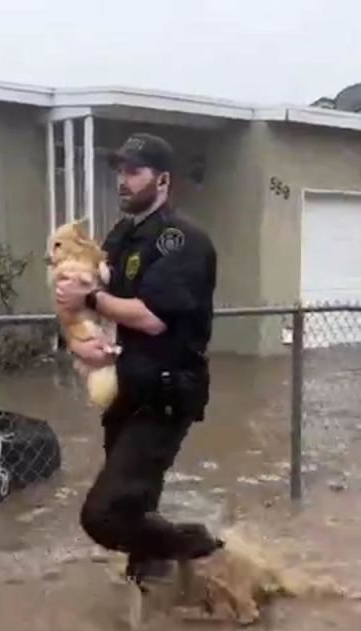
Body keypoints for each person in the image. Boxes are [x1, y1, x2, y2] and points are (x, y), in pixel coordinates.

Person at [55, 132, 223, 588]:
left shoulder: (180, 240)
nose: (123, 181)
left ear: (163, 179)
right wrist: (79, 343)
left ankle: (202, 549)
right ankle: (158, 608)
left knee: (104, 515)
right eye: (120, 171)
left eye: (134, 171)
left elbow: (151, 318)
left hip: (166, 392)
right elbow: (86, 308)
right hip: (126, 390)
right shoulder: (121, 235)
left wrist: (90, 297)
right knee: (133, 513)